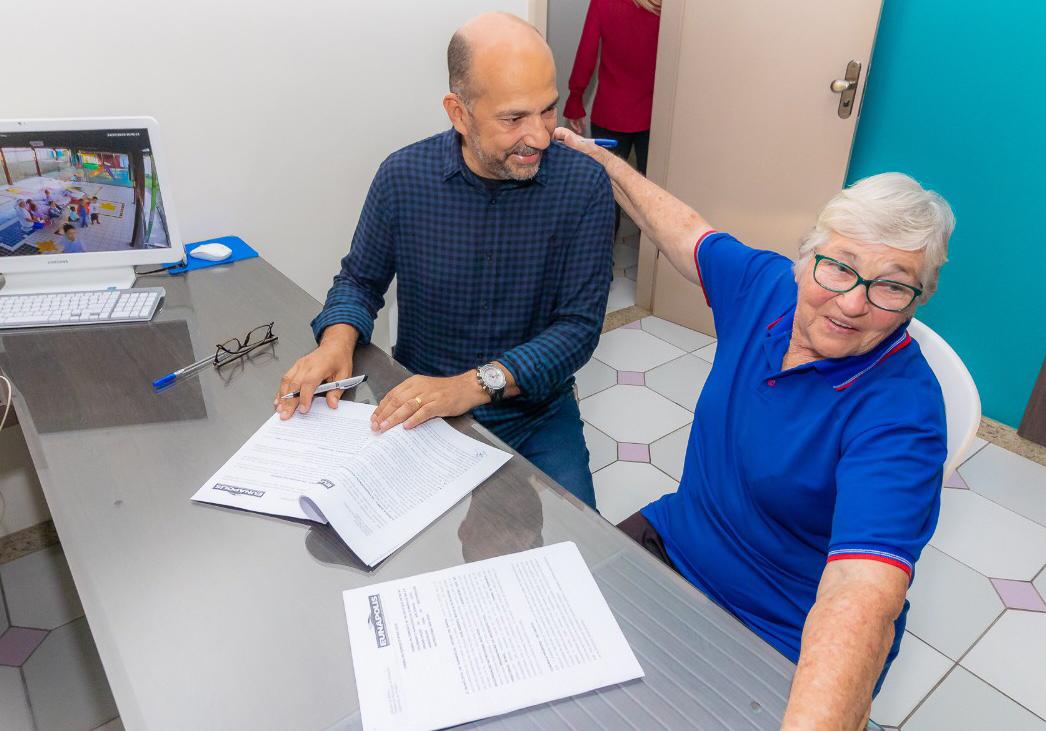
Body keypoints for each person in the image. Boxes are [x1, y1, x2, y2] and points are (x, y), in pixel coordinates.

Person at [555, 127, 953, 729]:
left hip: (775, 627)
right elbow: (682, 230)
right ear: (805, 257)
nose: (852, 303)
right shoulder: (767, 288)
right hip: (673, 544)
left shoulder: (905, 414)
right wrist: (597, 160)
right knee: (545, 647)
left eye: (892, 286)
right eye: (840, 267)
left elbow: (860, 592)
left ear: (918, 299)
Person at [275, 13, 615, 508]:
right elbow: (360, 281)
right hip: (422, 405)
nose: (541, 136)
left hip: (536, 413)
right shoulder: (402, 177)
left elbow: (578, 330)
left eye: (548, 110)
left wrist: (471, 386)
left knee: (573, 551)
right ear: (459, 113)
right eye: (514, 118)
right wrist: (337, 339)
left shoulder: (584, 186)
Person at [564, 0, 660, 178]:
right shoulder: (670, 8)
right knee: (654, 190)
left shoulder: (604, 2)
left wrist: (575, 99)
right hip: (658, 116)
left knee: (609, 189)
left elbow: (586, 53)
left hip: (612, 113)